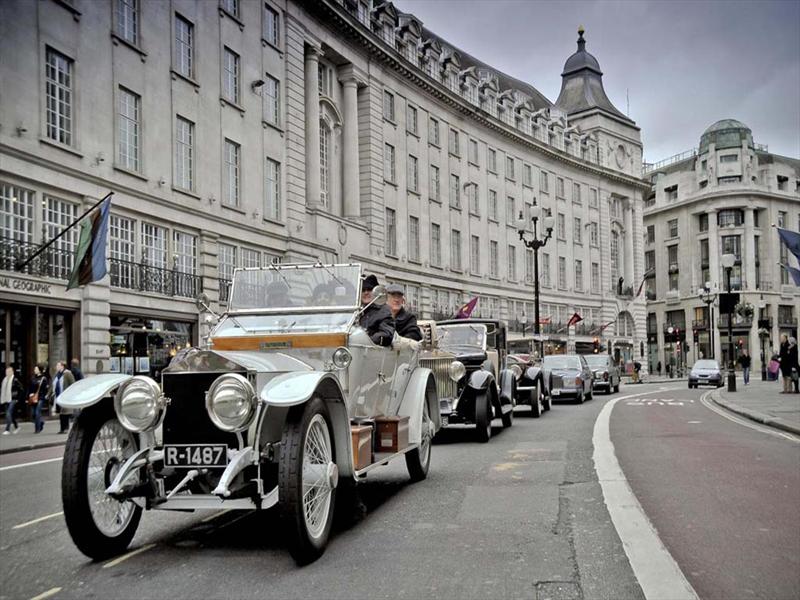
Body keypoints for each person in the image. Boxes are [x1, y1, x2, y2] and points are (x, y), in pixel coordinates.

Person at [358, 274, 395, 347]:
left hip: (372, 351)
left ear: (377, 292)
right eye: (363, 290)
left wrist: (367, 341)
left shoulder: (383, 310)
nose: (366, 292)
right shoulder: (356, 310)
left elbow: (386, 333)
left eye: (369, 289)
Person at [48, 361, 75, 433]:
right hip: (57, 396)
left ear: (62, 366)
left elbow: (73, 384)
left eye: (58, 365)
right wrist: (48, 394)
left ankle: (66, 428)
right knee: (61, 413)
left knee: (65, 413)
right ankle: (62, 429)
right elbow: (53, 385)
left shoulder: (68, 374)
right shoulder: (57, 374)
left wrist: (70, 394)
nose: (56, 367)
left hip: (65, 396)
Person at [2, 367, 24, 434]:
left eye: (8, 371)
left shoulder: (15, 380)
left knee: (8, 413)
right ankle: (17, 427)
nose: (7, 373)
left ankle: (7, 429)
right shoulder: (5, 380)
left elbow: (21, 389)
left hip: (13, 399)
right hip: (6, 399)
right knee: (11, 415)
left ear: (12, 372)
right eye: (6, 372)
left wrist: (17, 398)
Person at [29, 364, 49, 434]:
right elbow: (30, 388)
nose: (34, 370)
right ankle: (41, 422)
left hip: (40, 398)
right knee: (33, 414)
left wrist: (44, 395)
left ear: (39, 370)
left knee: (37, 412)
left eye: (36, 369)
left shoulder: (43, 378)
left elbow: (46, 389)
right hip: (33, 397)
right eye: (34, 369)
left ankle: (37, 429)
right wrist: (29, 395)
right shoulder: (32, 378)